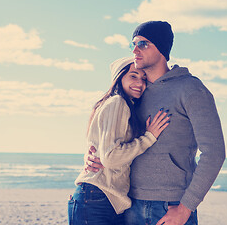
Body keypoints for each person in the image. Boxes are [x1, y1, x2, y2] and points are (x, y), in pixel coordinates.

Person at [85, 21, 226, 225]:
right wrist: (92, 155)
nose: (135, 50)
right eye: (133, 44)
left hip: (171, 206)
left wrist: (186, 208)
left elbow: (214, 152)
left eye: (143, 43)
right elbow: (108, 134)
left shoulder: (191, 89)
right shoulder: (134, 94)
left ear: (161, 48)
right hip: (129, 205)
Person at [68, 57, 171, 225]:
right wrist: (149, 137)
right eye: (133, 76)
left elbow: (96, 147)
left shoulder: (115, 104)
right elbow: (110, 157)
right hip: (97, 199)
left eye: (144, 78)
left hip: (100, 199)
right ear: (119, 77)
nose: (140, 83)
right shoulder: (118, 102)